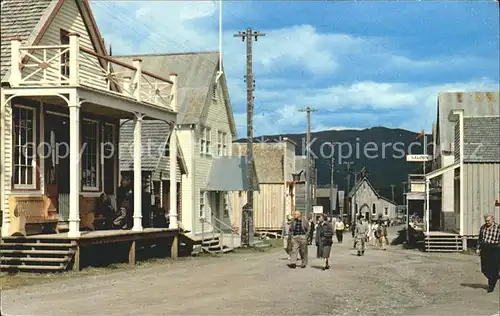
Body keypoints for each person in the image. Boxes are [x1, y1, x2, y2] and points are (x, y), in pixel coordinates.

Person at [477, 215, 500, 293]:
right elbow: (480, 238)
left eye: (488, 220)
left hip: (495, 248)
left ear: (493, 220)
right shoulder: (483, 227)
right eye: (486, 220)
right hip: (485, 248)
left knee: (494, 268)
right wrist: (478, 248)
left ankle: (491, 286)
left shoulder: (498, 228)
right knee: (484, 268)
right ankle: (495, 277)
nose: (487, 222)